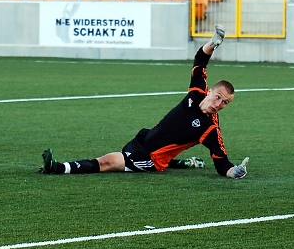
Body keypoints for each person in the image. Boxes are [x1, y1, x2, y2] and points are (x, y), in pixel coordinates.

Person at [39, 25, 249, 179]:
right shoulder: (196, 92)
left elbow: (221, 161)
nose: (219, 104)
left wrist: (234, 172)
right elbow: (200, 60)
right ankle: (182, 162)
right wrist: (212, 43)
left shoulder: (210, 128)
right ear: (210, 90)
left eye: (225, 103)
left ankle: (57, 168)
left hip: (150, 158)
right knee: (116, 157)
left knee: (108, 162)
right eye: (218, 97)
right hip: (144, 139)